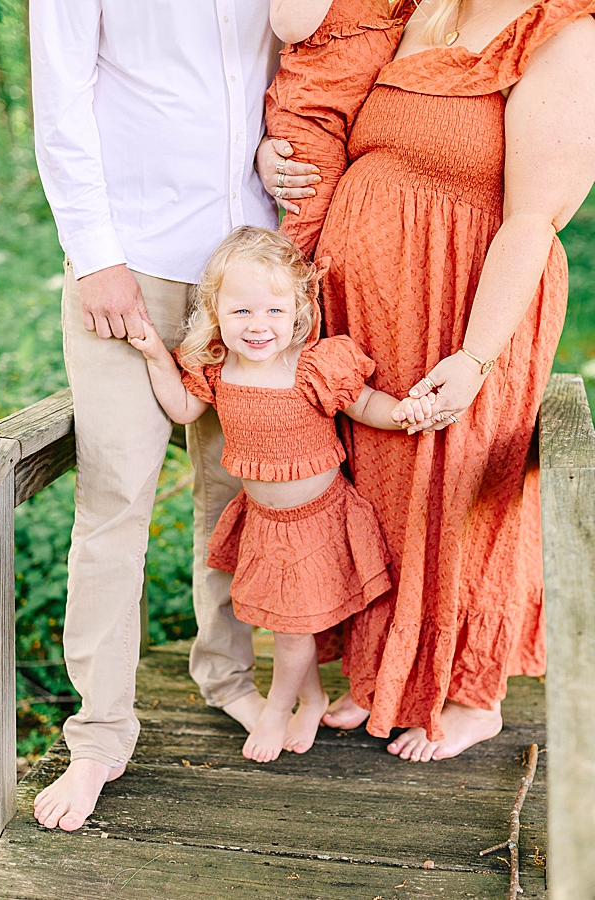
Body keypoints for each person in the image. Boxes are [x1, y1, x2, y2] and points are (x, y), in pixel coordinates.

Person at [257, 0, 595, 760]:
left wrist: (476, 357)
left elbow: (533, 220)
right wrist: (270, 161)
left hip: (467, 305)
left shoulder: (565, 35)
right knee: (379, 490)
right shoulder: (425, 6)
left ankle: (470, 694)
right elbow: (326, 95)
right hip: (373, 310)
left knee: (457, 488)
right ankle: (383, 673)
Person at [29, 2, 283, 831]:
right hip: (128, 263)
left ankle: (228, 675)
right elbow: (60, 104)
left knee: (236, 491)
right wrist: (97, 258)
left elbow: (280, 72)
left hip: (246, 267)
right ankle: (99, 735)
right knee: (114, 500)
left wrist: (280, 156)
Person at [130, 226, 434, 761]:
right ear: (215, 310)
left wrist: (404, 414)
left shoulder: (311, 367)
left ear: (296, 312)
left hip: (317, 520)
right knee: (280, 621)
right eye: (242, 311)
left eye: (273, 311)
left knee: (293, 632)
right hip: (263, 522)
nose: (258, 325)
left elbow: (364, 404)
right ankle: (311, 697)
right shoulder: (218, 371)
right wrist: (157, 356)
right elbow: (181, 410)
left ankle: (276, 709)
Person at [264, 0, 407, 258]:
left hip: (359, 123)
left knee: (340, 236)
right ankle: (273, 293)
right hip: (312, 117)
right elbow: (289, 26)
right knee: (299, 241)